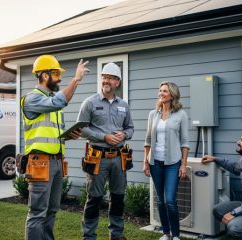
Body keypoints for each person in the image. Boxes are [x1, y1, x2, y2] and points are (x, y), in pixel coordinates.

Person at [21, 54, 89, 240]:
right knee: (37, 212)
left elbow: (50, 134)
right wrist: (76, 79)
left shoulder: (51, 101)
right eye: (56, 74)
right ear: (44, 75)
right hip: (40, 164)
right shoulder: (32, 99)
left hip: (56, 162)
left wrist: (68, 136)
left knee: (51, 210)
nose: (59, 78)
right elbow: (60, 101)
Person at [77, 62, 134, 240]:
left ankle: (116, 235)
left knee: (118, 197)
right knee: (94, 198)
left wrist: (123, 134)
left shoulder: (124, 105)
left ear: (118, 82)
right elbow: (81, 130)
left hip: (119, 158)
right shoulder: (90, 103)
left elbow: (130, 128)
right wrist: (104, 138)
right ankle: (89, 236)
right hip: (97, 157)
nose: (106, 81)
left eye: (110, 78)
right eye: (104, 77)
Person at [143, 81, 189, 240]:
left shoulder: (181, 114)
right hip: (155, 163)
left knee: (170, 200)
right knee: (161, 201)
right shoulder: (152, 114)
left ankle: (176, 235)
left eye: (164, 91)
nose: (161, 93)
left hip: (173, 163)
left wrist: (183, 164)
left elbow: (185, 142)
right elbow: (148, 139)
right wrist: (145, 162)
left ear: (172, 95)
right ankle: (166, 233)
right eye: (160, 91)